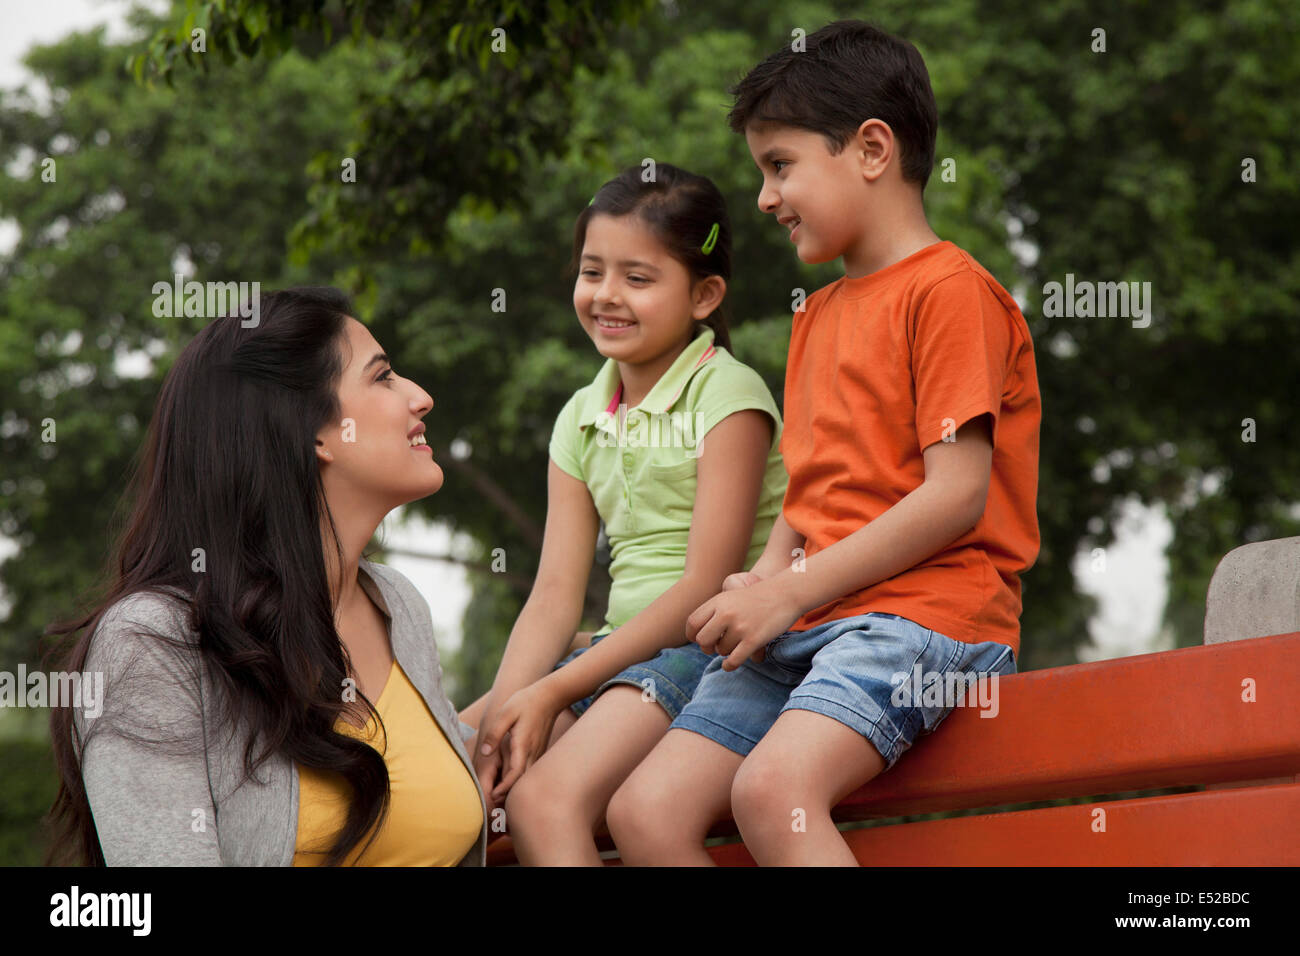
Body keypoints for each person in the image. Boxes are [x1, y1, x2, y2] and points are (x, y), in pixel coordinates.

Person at [607, 20, 1042, 865]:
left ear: (873, 149)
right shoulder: (820, 314)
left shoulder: (952, 293)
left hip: (928, 621)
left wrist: (789, 592)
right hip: (812, 615)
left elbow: (956, 496)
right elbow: (812, 494)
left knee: (773, 792)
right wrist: (765, 579)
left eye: (780, 166)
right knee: (645, 814)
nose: (765, 198)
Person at [45, 287, 488, 866]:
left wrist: (584, 667)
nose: (421, 397)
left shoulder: (396, 605)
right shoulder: (154, 642)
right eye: (382, 378)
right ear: (311, 431)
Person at [457, 163, 787, 865]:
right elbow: (552, 595)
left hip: (706, 650)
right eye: (592, 271)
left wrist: (555, 691)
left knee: (543, 802)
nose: (606, 296)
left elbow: (705, 585)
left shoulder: (728, 397)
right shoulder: (581, 416)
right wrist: (509, 715)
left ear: (704, 295)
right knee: (449, 757)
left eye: (638, 278)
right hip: (616, 654)